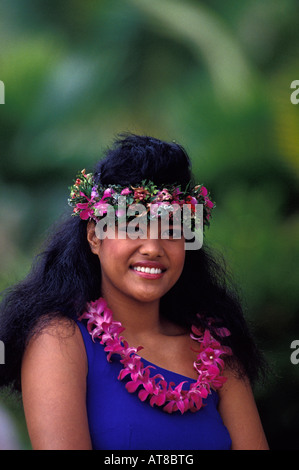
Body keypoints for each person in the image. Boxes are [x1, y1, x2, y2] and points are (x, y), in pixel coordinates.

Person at [0, 134, 269, 450]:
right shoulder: (59, 341)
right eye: (133, 226)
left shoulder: (215, 350)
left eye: (171, 230)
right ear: (95, 236)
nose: (153, 248)